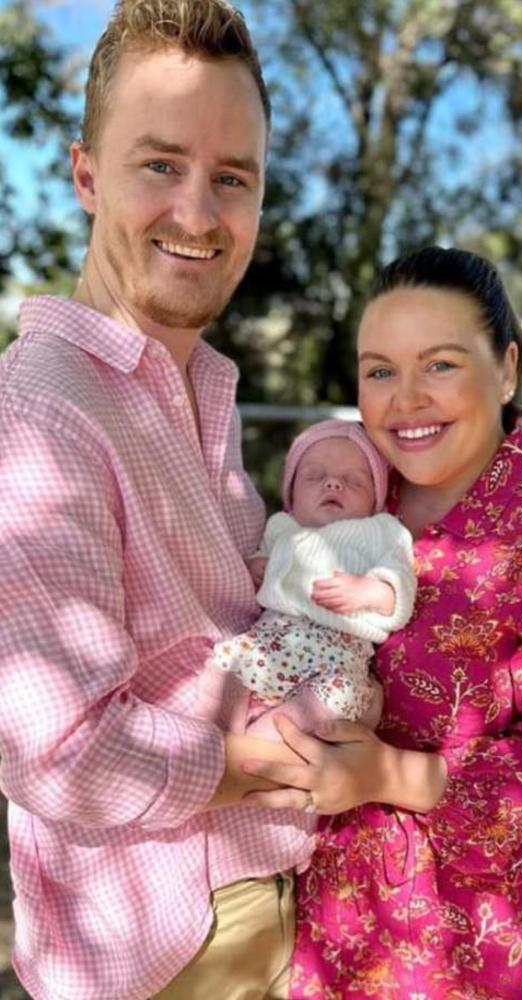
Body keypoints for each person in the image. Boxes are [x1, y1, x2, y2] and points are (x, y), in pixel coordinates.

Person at [0, 2, 315, 998]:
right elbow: (56, 753)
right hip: (158, 953)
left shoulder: (201, 386)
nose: (198, 211)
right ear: (86, 173)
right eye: (159, 165)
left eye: (232, 178)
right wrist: (280, 760)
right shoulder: (46, 415)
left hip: (246, 908)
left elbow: (224, 622)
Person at [241, 246, 522, 999]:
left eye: (440, 365)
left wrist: (387, 774)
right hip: (337, 942)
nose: (405, 400)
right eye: (380, 370)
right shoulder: (354, 500)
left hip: (497, 960)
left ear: (509, 369)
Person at [194, 419, 416, 740]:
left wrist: (371, 591)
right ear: (292, 495)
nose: (333, 485)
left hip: (339, 653)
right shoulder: (282, 526)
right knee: (224, 665)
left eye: (353, 482)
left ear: (375, 500)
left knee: (339, 698)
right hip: (274, 640)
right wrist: (257, 566)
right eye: (314, 477)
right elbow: (257, 564)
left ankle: (263, 743)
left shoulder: (382, 530)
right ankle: (218, 736)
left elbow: (402, 584)